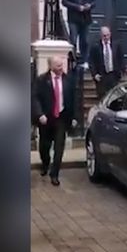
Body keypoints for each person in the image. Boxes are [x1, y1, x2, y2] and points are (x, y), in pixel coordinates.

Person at [32, 56, 77, 186]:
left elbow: (74, 99)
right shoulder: (41, 80)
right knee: (44, 146)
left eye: (62, 65)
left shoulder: (68, 80)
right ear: (50, 66)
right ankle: (45, 164)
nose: (61, 68)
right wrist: (40, 114)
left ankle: (55, 173)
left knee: (59, 146)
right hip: (46, 118)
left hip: (62, 118)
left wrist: (74, 117)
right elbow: (35, 98)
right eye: (58, 66)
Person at [61, 0, 94, 67]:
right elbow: (64, 1)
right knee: (73, 40)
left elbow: (93, 1)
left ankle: (84, 61)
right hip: (74, 19)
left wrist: (90, 5)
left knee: (85, 41)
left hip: (86, 19)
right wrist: (77, 7)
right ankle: (73, 60)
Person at [88, 26, 126, 98]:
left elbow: (120, 58)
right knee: (102, 97)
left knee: (114, 96)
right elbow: (91, 61)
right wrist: (94, 74)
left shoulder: (116, 45)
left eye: (107, 35)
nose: (106, 37)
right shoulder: (95, 46)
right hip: (101, 76)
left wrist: (123, 70)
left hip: (114, 75)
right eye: (104, 36)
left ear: (110, 34)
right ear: (101, 35)